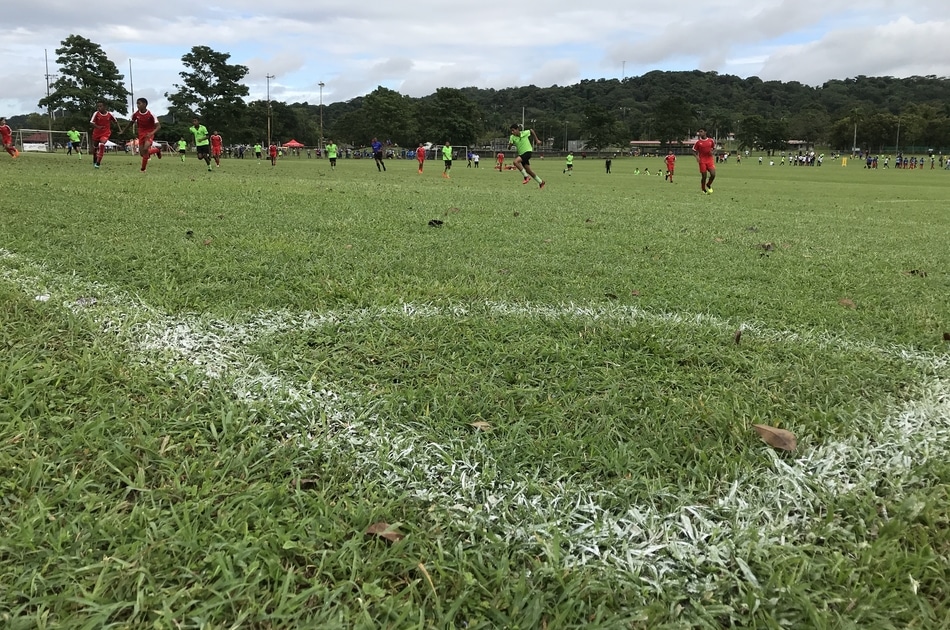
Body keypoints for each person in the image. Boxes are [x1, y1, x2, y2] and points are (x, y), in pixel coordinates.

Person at [129, 97, 162, 172]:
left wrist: (151, 133)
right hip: (141, 134)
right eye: (137, 103)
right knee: (142, 154)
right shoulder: (135, 114)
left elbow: (158, 126)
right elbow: (131, 123)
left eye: (139, 103)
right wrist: (123, 131)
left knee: (145, 148)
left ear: (145, 104)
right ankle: (157, 150)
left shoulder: (151, 114)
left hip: (149, 133)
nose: (137, 105)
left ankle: (143, 169)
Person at [508, 123, 544, 189]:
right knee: (529, 170)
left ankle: (526, 177)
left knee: (515, 162)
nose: (512, 132)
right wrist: (510, 145)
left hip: (528, 151)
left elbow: (531, 130)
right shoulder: (512, 137)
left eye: (513, 130)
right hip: (521, 154)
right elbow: (509, 147)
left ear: (517, 129)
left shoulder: (524, 133)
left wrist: (537, 140)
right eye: (511, 131)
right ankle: (541, 182)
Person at [89, 101, 120, 169]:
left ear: (105, 107)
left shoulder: (110, 114)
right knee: (95, 149)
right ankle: (95, 159)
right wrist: (98, 127)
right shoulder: (96, 113)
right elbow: (91, 123)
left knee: (102, 144)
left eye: (101, 106)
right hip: (96, 133)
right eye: (98, 106)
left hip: (106, 132)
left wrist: (120, 130)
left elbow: (116, 121)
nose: (99, 108)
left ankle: (98, 163)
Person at [691, 128, 716, 194]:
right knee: (704, 176)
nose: (700, 133)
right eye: (699, 132)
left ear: (705, 132)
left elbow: (714, 148)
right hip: (702, 160)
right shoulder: (698, 142)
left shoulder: (711, 140)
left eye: (701, 132)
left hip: (710, 160)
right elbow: (693, 151)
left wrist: (712, 152)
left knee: (713, 174)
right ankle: (703, 189)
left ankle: (708, 184)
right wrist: (696, 157)